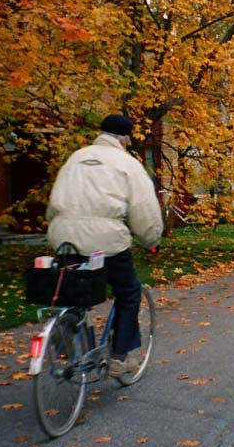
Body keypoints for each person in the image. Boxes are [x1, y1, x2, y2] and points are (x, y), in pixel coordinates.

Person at [46, 114, 163, 377]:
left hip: (64, 238)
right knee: (128, 292)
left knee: (75, 291)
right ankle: (119, 358)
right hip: (105, 242)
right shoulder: (127, 164)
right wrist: (151, 240)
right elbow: (144, 210)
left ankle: (65, 332)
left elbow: (53, 205)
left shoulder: (75, 158)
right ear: (125, 139)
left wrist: (58, 227)